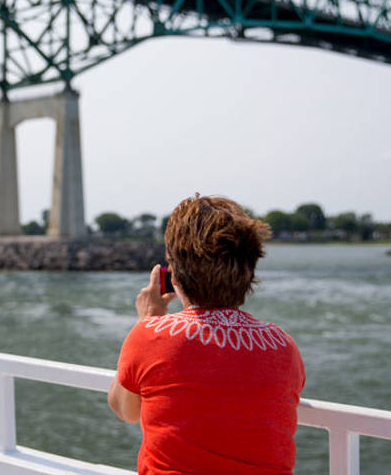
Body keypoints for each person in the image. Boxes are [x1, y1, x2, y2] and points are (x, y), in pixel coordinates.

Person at [108, 194, 305, 475]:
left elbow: (125, 410)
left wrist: (148, 319)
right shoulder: (283, 345)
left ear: (173, 275)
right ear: (249, 273)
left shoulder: (151, 336)